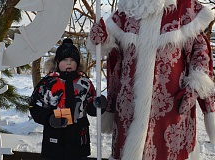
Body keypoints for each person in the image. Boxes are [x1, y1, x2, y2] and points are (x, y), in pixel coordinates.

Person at [87, 0, 215, 159]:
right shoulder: (125, 11)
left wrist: (196, 85)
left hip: (171, 103)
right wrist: (101, 41)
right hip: (129, 106)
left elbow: (200, 50)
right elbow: (114, 56)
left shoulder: (185, 8)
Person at [29, 38, 107, 160]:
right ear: (57, 62)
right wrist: (49, 118)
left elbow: (91, 109)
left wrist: (99, 104)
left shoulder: (85, 83)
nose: (69, 63)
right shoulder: (48, 83)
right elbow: (35, 108)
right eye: (65, 60)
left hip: (79, 140)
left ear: (78, 63)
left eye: (72, 60)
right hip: (54, 141)